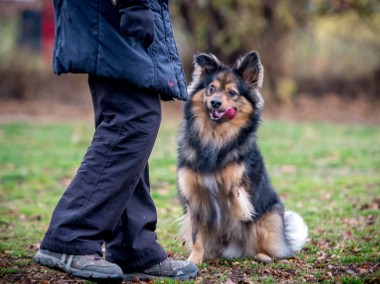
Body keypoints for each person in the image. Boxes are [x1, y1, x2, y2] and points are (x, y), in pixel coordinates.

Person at [33, 0, 198, 281]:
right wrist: (133, 4)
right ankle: (69, 237)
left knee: (132, 115)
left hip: (112, 10)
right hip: (112, 10)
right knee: (133, 118)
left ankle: (134, 248)